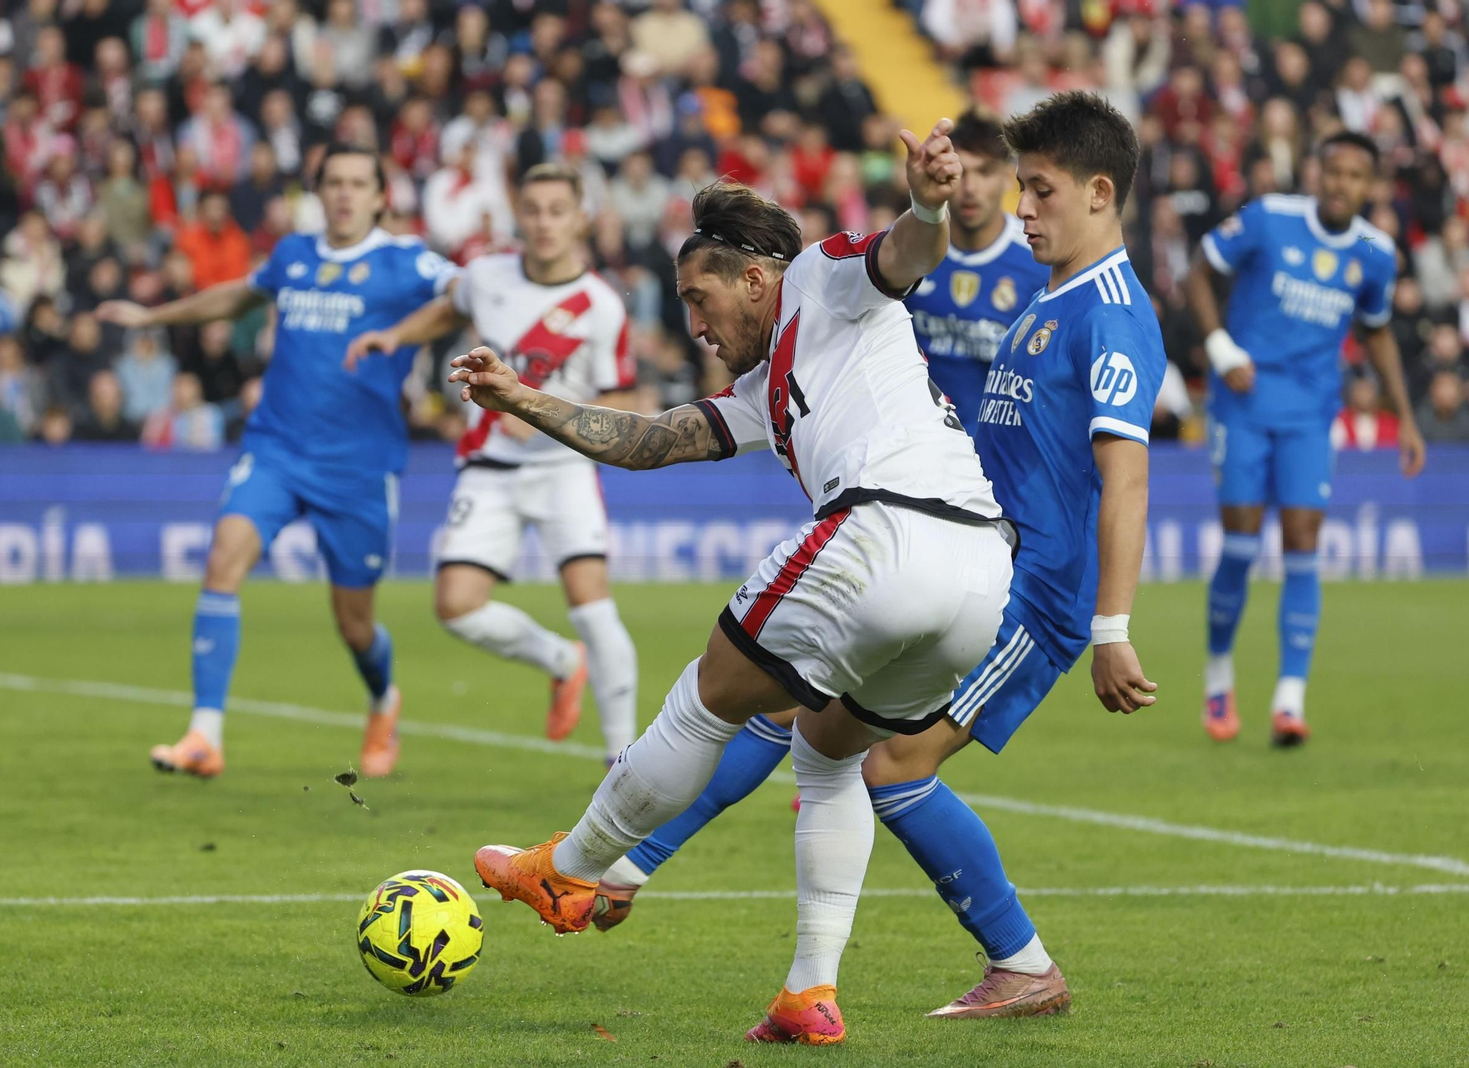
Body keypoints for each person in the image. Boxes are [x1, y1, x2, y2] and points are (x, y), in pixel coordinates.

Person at [585, 92, 1165, 1025]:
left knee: (887, 767)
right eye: (1020, 188)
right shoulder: (1050, 299)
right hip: (972, 557)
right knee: (791, 708)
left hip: (1034, 596)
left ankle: (1021, 963)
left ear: (1100, 194)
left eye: (1040, 191)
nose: (1023, 208)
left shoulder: (1113, 314)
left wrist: (1111, 628)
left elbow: (1127, 476)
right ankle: (626, 868)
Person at [449, 119, 1022, 1046]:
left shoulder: (820, 279)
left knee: (708, 695)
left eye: (698, 297)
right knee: (829, 754)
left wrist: (927, 200)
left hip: (884, 527)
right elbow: (648, 443)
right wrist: (523, 398)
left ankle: (571, 865)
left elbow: (906, 253)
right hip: (977, 575)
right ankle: (810, 992)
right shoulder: (771, 383)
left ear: (754, 277)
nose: (694, 323)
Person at [96, 143, 457, 780]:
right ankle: (204, 734)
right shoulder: (293, 254)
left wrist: (416, 331)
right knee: (224, 557)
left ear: (380, 197)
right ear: (318, 193)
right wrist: (153, 316)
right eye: (334, 183)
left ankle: (383, 700)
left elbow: (466, 291)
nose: (345, 194)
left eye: (357, 183)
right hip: (277, 448)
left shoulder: (407, 261)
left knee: (354, 626)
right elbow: (237, 296)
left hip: (359, 467)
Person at [345, 163, 639, 764]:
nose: (544, 223)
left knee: (592, 601)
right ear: (518, 216)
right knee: (454, 604)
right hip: (490, 464)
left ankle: (622, 761)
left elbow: (622, 401)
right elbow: (450, 309)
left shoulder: (602, 307)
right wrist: (395, 337)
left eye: (558, 210)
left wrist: (540, 410)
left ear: (580, 218)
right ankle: (560, 662)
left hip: (564, 469)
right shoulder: (486, 275)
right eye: (533, 210)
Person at [1188, 131, 1424, 747]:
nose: (1342, 183)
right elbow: (1199, 271)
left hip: (1311, 415)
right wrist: (1219, 347)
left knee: (1302, 543)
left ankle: (1289, 700)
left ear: (1371, 187)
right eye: (1334, 171)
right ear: (1316, 172)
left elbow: (1376, 333)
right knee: (1239, 546)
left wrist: (1408, 419)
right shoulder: (1269, 219)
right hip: (1242, 404)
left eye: (1356, 175)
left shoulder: (1376, 255)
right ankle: (1219, 676)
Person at [904, 107, 1049, 418]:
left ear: (1008, 177)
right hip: (920, 448)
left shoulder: (1039, 262)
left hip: (1002, 452)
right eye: (961, 172)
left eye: (984, 172)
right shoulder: (907, 249)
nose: (969, 189)